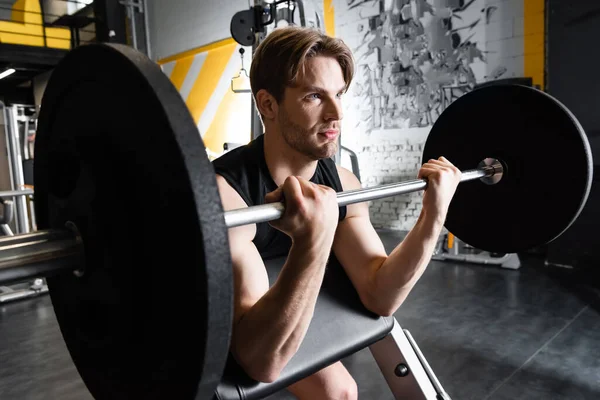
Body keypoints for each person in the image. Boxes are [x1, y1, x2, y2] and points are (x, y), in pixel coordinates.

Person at [212, 25, 461, 400]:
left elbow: (380, 296)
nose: (336, 113)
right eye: (315, 96)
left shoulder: (343, 182)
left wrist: (433, 215)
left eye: (340, 95)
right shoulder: (228, 196)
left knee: (340, 393)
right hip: (217, 322)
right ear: (267, 105)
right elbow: (261, 360)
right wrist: (313, 238)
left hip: (288, 294)